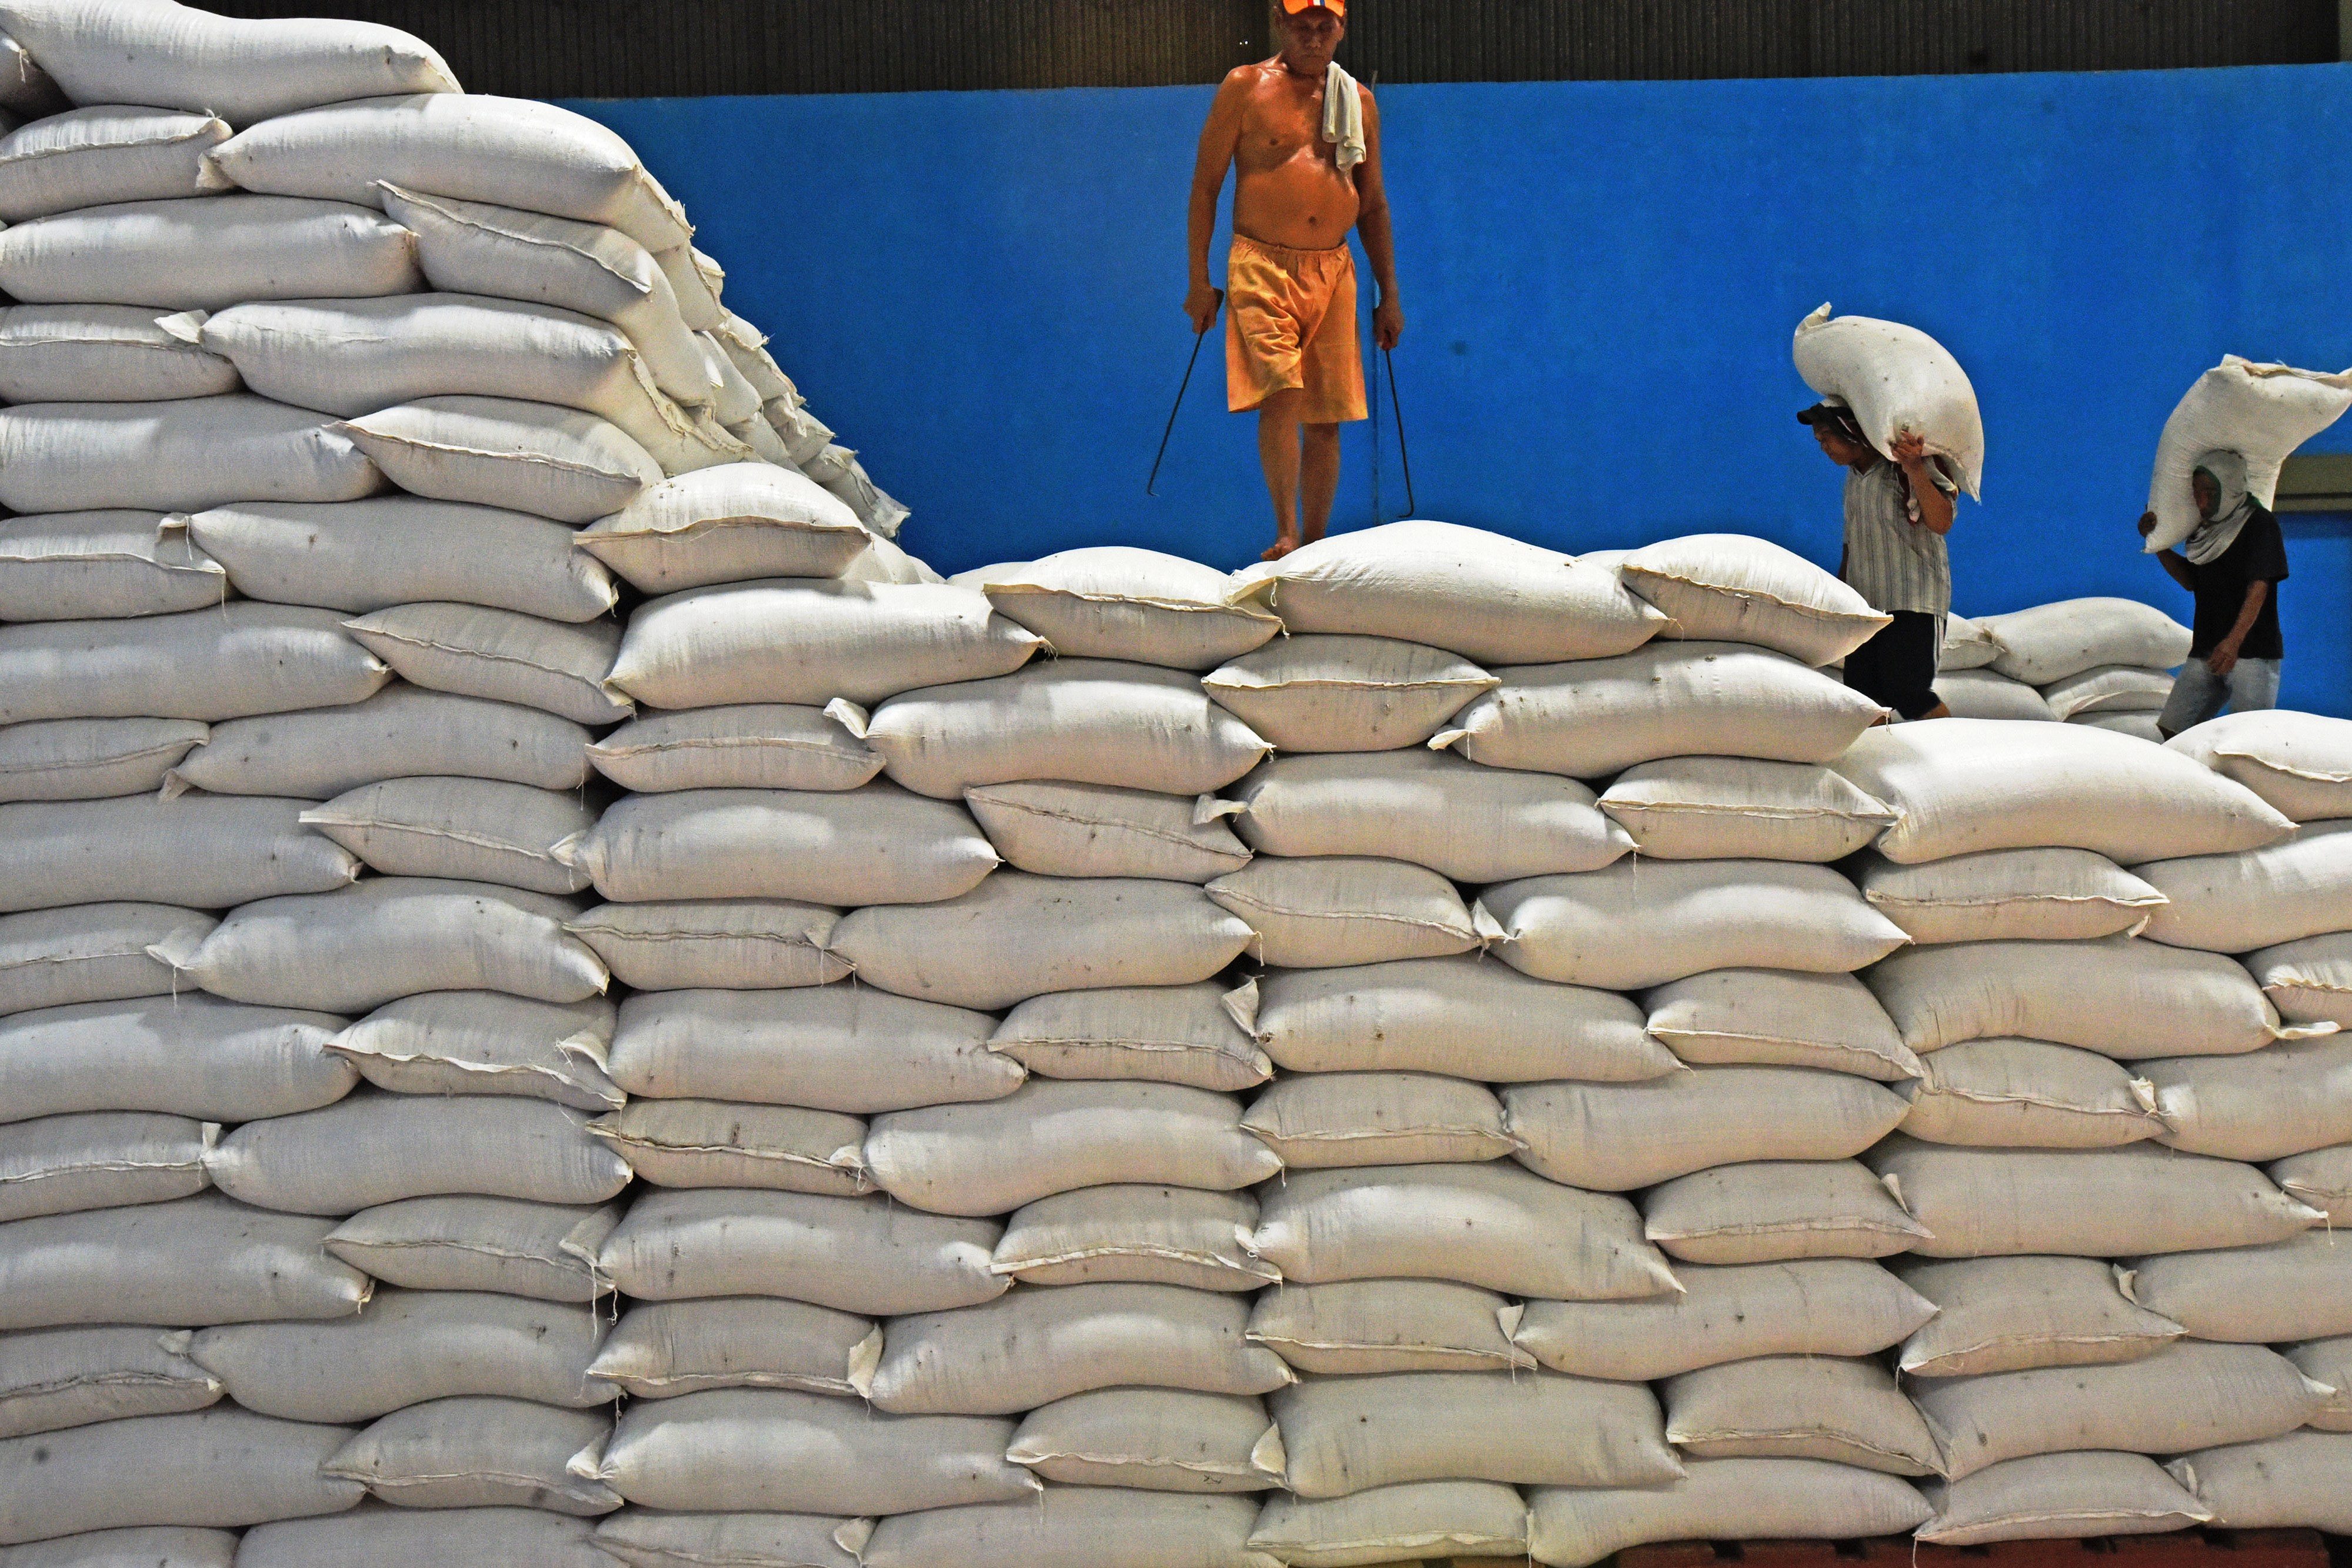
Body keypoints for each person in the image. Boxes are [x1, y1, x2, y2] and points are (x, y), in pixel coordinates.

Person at [1184, 0, 1402, 560]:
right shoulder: (1246, 86)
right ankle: (1285, 531)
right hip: (1261, 264)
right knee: (1283, 391)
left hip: (1334, 268)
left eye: (1323, 28)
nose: (1313, 39)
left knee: (1326, 417)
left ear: (1341, 30)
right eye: (1301, 28)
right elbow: (1206, 185)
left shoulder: (1357, 101)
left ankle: (1314, 543)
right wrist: (1198, 281)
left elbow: (1373, 205)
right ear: (1280, 25)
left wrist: (1389, 296)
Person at [1799, 401, 1958, 721]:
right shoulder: (1854, 480)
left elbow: (1941, 522)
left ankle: (1955, 759)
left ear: (1853, 432)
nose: (1824, 447)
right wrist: (1843, 601)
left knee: (1908, 690)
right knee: (1862, 694)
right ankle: (1874, 764)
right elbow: (1851, 545)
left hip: (1913, 601)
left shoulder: (1904, 469)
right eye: (1819, 441)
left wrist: (1914, 468)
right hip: (1867, 607)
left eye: (1827, 437)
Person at [2138, 449, 2288, 735]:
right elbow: (2191, 580)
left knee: (2246, 739)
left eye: (2209, 490)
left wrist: (2233, 643)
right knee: (2171, 731)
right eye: (2196, 491)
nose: (2201, 500)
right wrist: (2158, 544)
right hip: (2206, 649)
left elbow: (2259, 587)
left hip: (2253, 654)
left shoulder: (2259, 524)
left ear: (2230, 487)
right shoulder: (2203, 534)